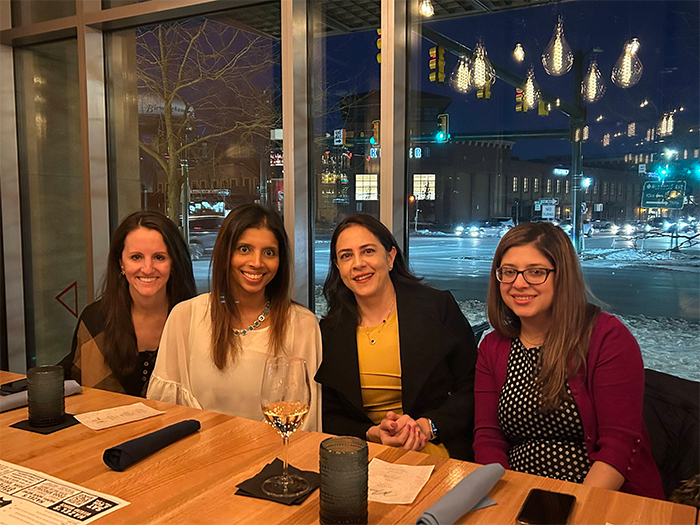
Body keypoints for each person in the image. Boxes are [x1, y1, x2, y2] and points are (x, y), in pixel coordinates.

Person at [474, 222, 664, 499]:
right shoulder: (493, 346)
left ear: (562, 276)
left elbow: (619, 445)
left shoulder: (606, 337)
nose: (519, 283)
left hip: (598, 497)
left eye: (536, 272)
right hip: (515, 492)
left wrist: (570, 508)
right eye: (509, 272)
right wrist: (504, 500)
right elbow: (488, 438)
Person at [315, 214, 477, 460]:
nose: (358, 263)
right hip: (365, 454)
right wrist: (372, 433)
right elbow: (329, 413)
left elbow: (472, 386)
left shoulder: (436, 308)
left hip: (435, 448)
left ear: (390, 257)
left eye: (368, 251)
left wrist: (427, 427)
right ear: (338, 267)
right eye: (346, 256)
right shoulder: (329, 330)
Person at [147, 204, 321, 430]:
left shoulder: (302, 324)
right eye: (244, 249)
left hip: (275, 451)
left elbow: (305, 421)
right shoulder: (185, 316)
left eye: (269, 252)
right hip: (198, 450)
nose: (256, 262)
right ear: (225, 253)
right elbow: (167, 410)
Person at [60, 211, 196, 397]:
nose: (147, 269)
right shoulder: (95, 321)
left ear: (174, 264)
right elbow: (73, 389)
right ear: (121, 264)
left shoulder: (197, 321)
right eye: (136, 257)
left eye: (159, 257)